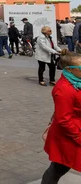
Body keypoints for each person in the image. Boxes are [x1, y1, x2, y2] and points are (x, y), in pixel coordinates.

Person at [40, 49, 81, 183]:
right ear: (69, 69)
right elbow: (64, 120)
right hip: (69, 135)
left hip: (72, 131)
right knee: (58, 167)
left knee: (59, 166)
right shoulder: (64, 89)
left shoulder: (75, 80)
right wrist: (78, 136)